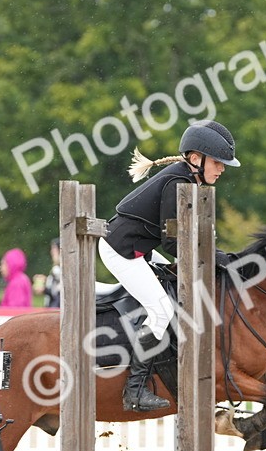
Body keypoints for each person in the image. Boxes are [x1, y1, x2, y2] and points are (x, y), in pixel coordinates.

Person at [98, 119, 240, 412]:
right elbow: (174, 244)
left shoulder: (188, 180)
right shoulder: (179, 183)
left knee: (173, 298)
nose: (222, 168)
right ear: (196, 158)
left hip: (141, 249)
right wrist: (216, 258)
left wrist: (218, 256)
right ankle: (134, 390)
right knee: (161, 310)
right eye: (217, 162)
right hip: (121, 251)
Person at [33, 238, 62, 308]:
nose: (51, 252)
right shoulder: (58, 268)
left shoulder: (59, 269)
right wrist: (46, 280)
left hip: (56, 310)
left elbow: (58, 293)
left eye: (54, 249)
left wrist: (44, 289)